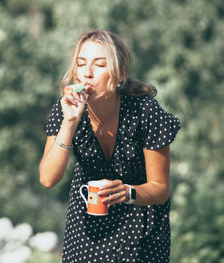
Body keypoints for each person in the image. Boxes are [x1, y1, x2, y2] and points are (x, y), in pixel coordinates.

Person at [39, 30, 180, 262]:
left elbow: (160, 188)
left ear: (120, 74)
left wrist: (128, 192)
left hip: (140, 233)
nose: (87, 73)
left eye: (100, 65)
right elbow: (47, 178)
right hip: (86, 232)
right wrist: (70, 123)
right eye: (81, 64)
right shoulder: (65, 111)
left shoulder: (145, 112)